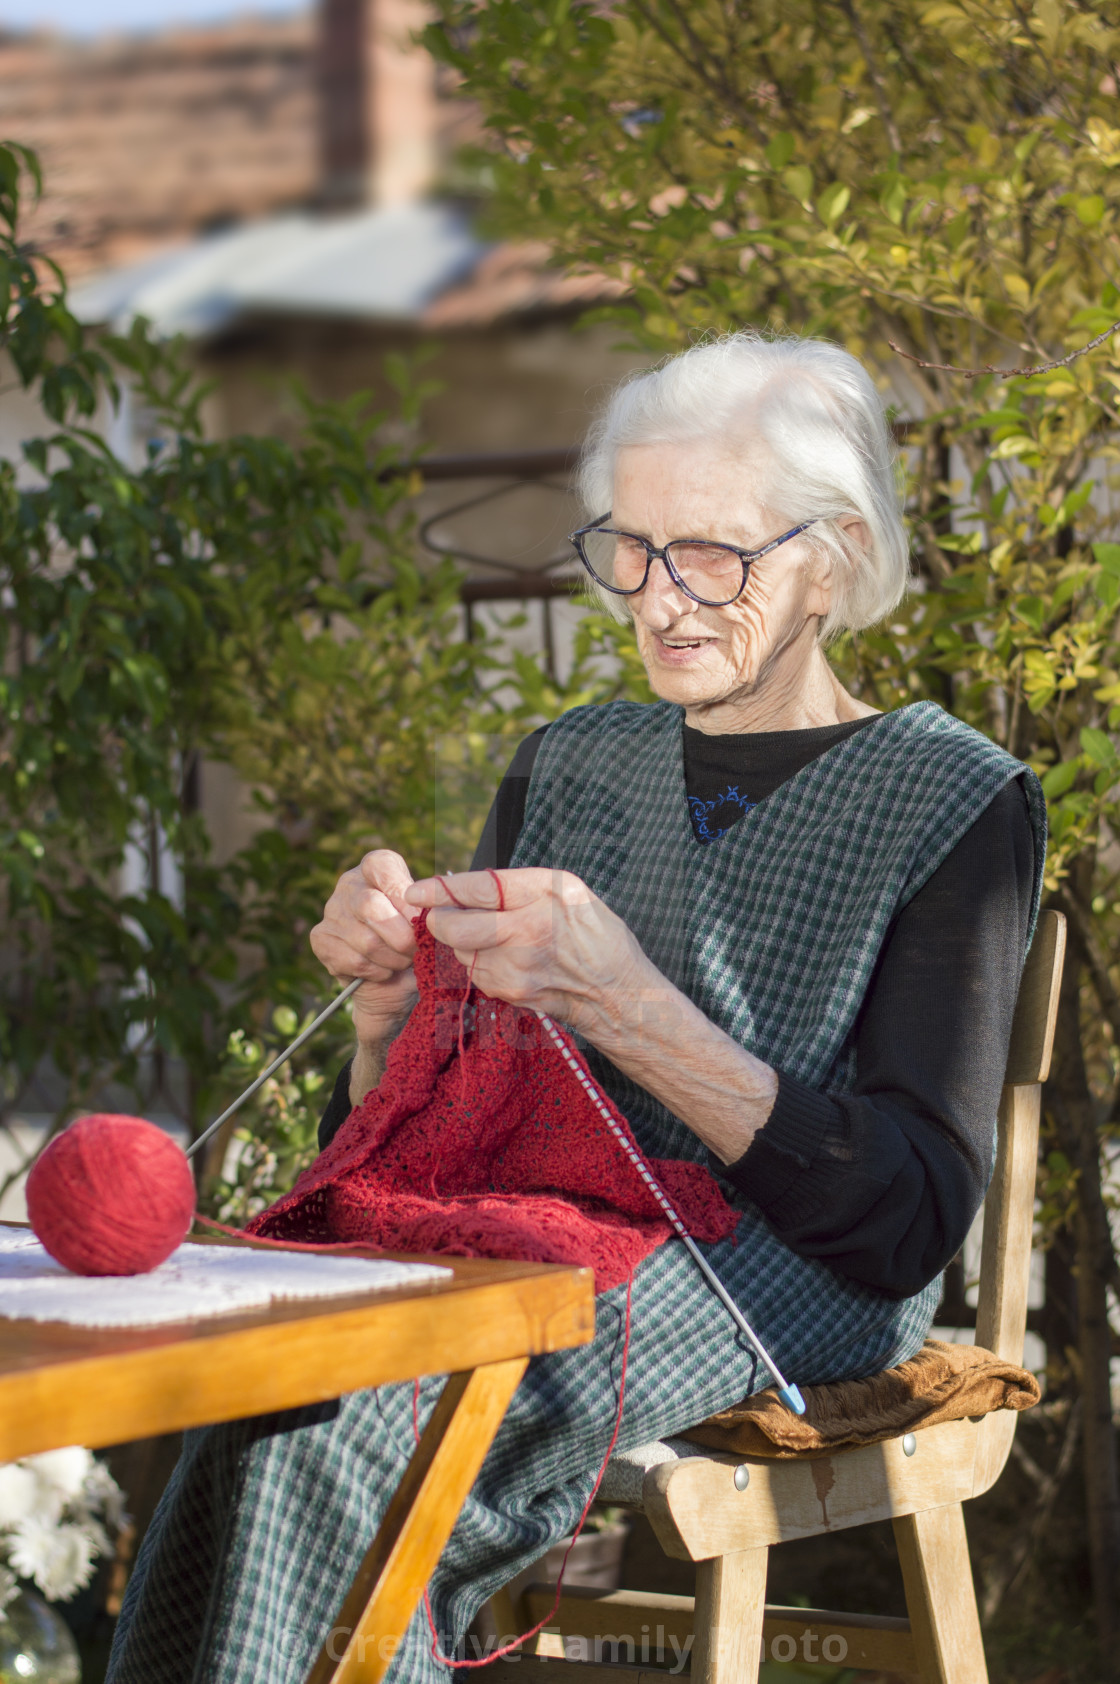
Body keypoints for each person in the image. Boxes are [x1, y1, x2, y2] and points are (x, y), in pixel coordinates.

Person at [107, 331, 1044, 1684]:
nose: (661, 600)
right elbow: (430, 1127)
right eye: (631, 548)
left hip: (789, 1267)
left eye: (713, 554)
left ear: (831, 561)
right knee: (266, 1390)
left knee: (356, 1432)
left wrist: (628, 1001)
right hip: (537, 1230)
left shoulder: (952, 799)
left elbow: (906, 1218)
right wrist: (385, 1020)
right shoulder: (572, 763)